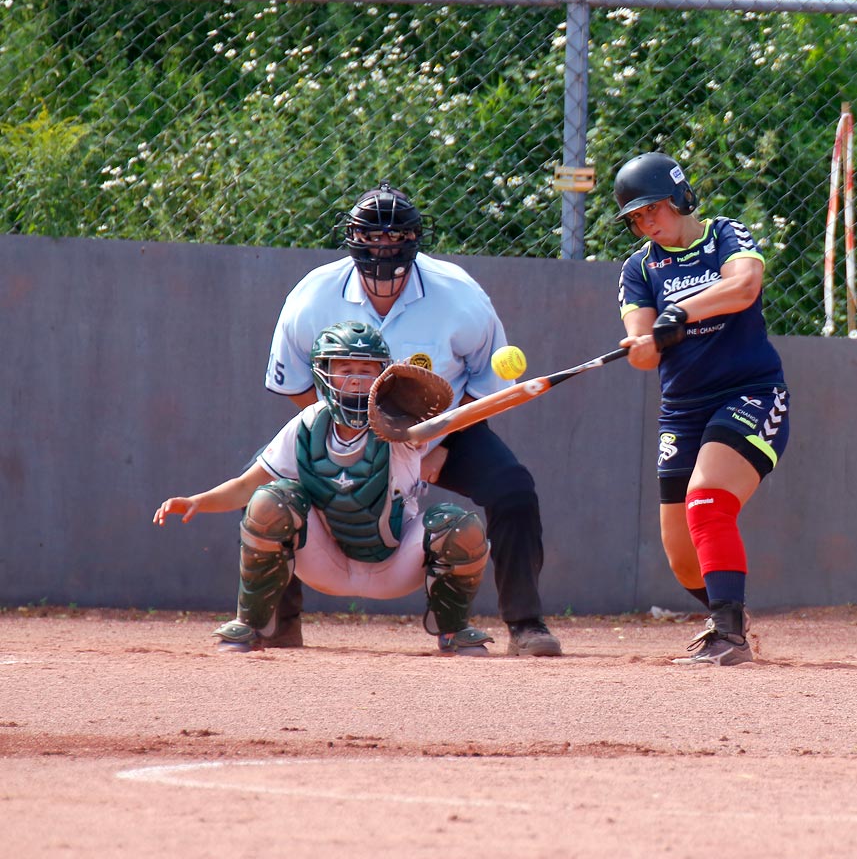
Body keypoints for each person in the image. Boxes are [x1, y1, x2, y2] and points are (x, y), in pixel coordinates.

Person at [264, 183, 560, 656]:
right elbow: (296, 385)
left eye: (394, 237)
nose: (383, 247)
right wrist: (342, 441)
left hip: (443, 428)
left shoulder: (459, 295)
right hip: (344, 426)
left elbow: (487, 390)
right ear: (352, 239)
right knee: (272, 493)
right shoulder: (313, 296)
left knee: (514, 489)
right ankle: (277, 623)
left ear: (414, 241)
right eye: (372, 237)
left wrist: (436, 448)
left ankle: (526, 624)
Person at [155, 321, 494, 654]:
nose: (357, 379)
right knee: (271, 499)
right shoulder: (307, 424)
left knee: (459, 526)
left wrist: (407, 414)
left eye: (367, 369)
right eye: (345, 368)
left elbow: (430, 421)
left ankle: (453, 630)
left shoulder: (399, 424)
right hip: (325, 561)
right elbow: (247, 485)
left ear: (383, 374)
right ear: (323, 373)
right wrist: (198, 501)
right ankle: (252, 624)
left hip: (395, 564)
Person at [613, 152, 791, 666]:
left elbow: (744, 286)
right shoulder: (640, 267)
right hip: (682, 411)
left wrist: (682, 312)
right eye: (637, 218)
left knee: (708, 499)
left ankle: (730, 636)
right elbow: (643, 353)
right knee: (683, 559)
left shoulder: (725, 235)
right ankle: (725, 612)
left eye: (654, 211)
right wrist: (644, 342)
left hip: (750, 393)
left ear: (681, 198)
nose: (647, 224)